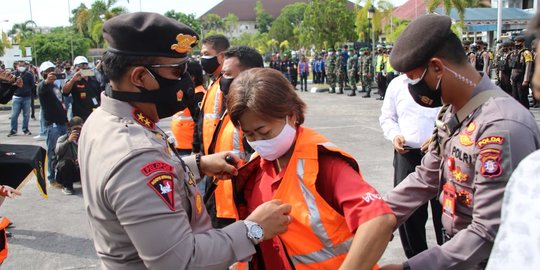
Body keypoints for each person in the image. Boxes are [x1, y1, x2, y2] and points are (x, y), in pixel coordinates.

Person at [80, 12, 291, 269]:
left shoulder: (103, 120)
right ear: (138, 78)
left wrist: (196, 165)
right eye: (177, 70)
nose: (187, 79)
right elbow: (179, 261)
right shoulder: (136, 154)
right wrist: (252, 230)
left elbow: (141, 188)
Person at [380, 14, 540, 270]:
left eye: (414, 80)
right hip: (455, 253)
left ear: (437, 68)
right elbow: (426, 177)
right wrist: (379, 214)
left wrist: (411, 268)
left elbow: (488, 231)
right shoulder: (453, 114)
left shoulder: (500, 126)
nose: (411, 89)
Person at [227, 67, 396, 269]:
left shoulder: (324, 164)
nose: (258, 141)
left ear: (291, 115)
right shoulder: (256, 167)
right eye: (249, 135)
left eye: (264, 132)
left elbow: (379, 221)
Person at [486, 13, 540, 269]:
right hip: (512, 75)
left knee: (519, 99)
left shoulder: (532, 174)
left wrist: (528, 76)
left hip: (520, 74)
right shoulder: (531, 172)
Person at [379, 74, 444, 258]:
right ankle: (416, 260)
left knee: (445, 210)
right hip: (407, 154)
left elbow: (455, 112)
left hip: (439, 153)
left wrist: (439, 134)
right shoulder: (396, 85)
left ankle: (448, 258)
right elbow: (387, 117)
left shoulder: (440, 82)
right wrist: (395, 135)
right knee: (409, 214)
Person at [204, 45, 262, 229]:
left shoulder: (257, 116)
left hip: (239, 211)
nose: (222, 81)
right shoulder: (231, 109)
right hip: (221, 202)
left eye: (228, 75)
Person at [194, 34, 230, 155]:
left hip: (222, 155)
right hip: (209, 154)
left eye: (207, 54)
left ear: (222, 56)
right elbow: (202, 120)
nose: (202, 59)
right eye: (202, 54)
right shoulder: (213, 83)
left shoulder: (227, 85)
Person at [37, 61, 68, 189]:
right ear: (43, 73)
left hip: (61, 121)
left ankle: (61, 175)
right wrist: (46, 81)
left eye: (53, 70)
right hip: (52, 124)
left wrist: (66, 120)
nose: (52, 73)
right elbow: (42, 87)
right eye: (48, 71)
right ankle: (51, 178)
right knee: (52, 151)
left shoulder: (55, 86)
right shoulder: (42, 86)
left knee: (63, 151)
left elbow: (60, 103)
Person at [170, 60, 206, 156]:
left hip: (189, 150)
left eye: (181, 76)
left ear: (192, 78)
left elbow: (200, 124)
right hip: (179, 147)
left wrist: (196, 149)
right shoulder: (186, 93)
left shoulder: (198, 95)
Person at [61, 56, 101, 120]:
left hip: (94, 114)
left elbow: (99, 95)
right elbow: (65, 92)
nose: (83, 67)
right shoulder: (73, 80)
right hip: (81, 116)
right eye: (80, 65)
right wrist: (73, 80)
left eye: (85, 65)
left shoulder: (93, 79)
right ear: (75, 68)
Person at [54, 116, 84, 195]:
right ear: (69, 129)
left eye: (79, 129)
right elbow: (57, 151)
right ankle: (67, 187)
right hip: (65, 172)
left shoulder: (85, 139)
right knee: (67, 163)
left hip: (79, 169)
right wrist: (68, 141)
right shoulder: (62, 138)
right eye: (75, 129)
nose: (78, 131)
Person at [8, 61, 35, 137]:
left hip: (27, 97)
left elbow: (32, 85)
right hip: (16, 96)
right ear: (17, 66)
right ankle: (13, 130)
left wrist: (27, 90)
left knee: (26, 115)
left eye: (23, 65)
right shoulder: (13, 74)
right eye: (20, 65)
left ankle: (25, 129)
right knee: (14, 115)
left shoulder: (29, 74)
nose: (22, 66)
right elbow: (9, 84)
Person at [508, 35, 534, 109]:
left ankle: (526, 112)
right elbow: (512, 66)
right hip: (514, 76)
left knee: (522, 96)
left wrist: (526, 79)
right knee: (515, 96)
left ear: (523, 43)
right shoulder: (514, 53)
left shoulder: (526, 53)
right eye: (516, 42)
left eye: (519, 42)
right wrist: (511, 77)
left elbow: (528, 65)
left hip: (522, 76)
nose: (517, 44)